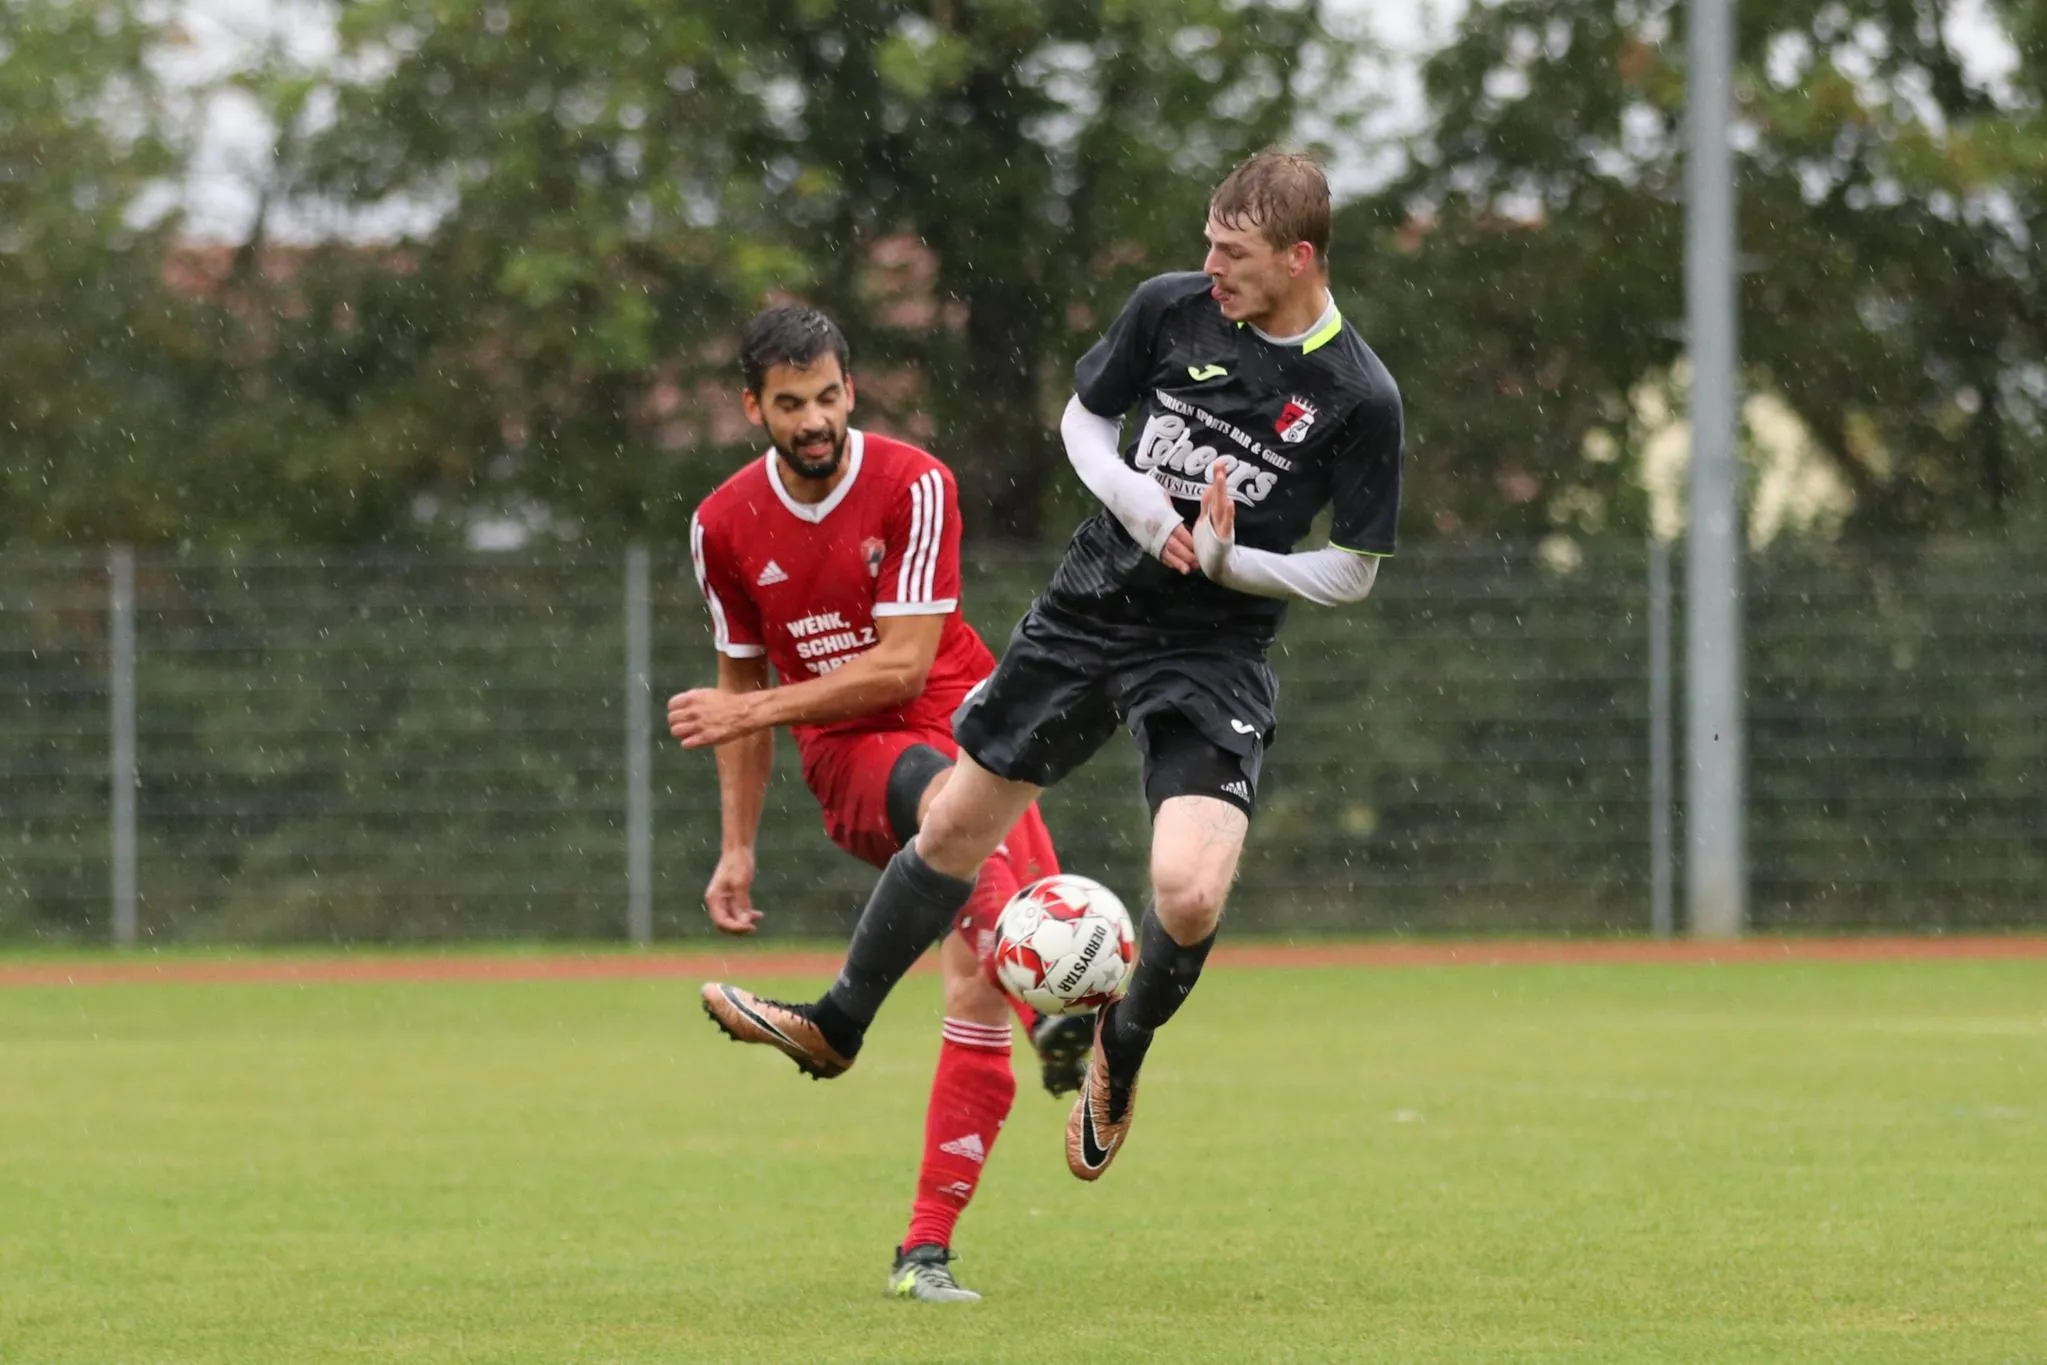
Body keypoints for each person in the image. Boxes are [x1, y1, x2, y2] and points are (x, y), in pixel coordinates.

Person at [699, 150, 1404, 1181]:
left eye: (1233, 252)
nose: (1209, 265)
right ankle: (837, 1024)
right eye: (1207, 242)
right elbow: (1084, 422)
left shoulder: (1359, 396)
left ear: (1298, 258)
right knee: (951, 826)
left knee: (1188, 893)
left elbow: (1352, 570)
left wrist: (1229, 563)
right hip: (1088, 610)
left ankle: (1119, 1052)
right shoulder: (1169, 308)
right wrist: (1139, 504)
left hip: (1210, 649)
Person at [670, 304, 1094, 1301]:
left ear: (850, 389)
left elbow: (904, 668)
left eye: (828, 397)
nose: (814, 420)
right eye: (790, 404)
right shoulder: (721, 525)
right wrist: (737, 847)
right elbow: (739, 692)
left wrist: (755, 706)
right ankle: (1048, 1024)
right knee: (967, 843)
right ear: (753, 408)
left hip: (973, 724)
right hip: (851, 755)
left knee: (980, 986)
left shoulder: (915, 483)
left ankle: (924, 1252)